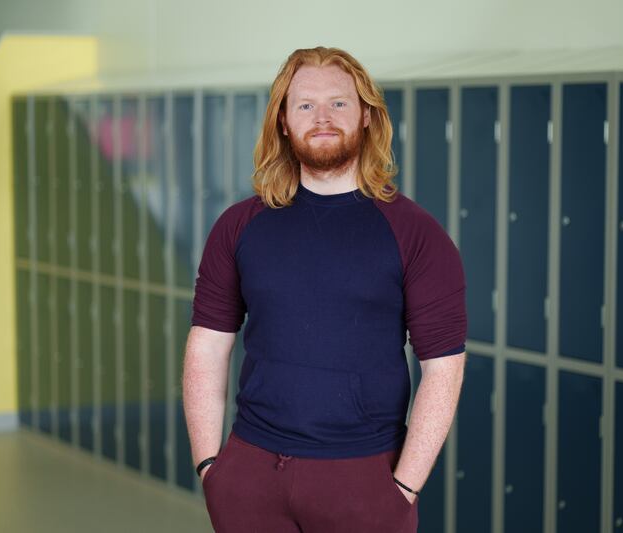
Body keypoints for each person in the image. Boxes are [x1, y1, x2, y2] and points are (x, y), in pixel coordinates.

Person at [182, 46, 467, 533]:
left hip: (363, 480)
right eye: (305, 105)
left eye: (339, 103)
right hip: (250, 476)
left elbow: (443, 369)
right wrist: (211, 467)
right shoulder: (239, 226)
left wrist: (404, 489)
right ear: (284, 122)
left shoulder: (415, 233)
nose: (323, 118)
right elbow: (208, 345)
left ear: (367, 117)